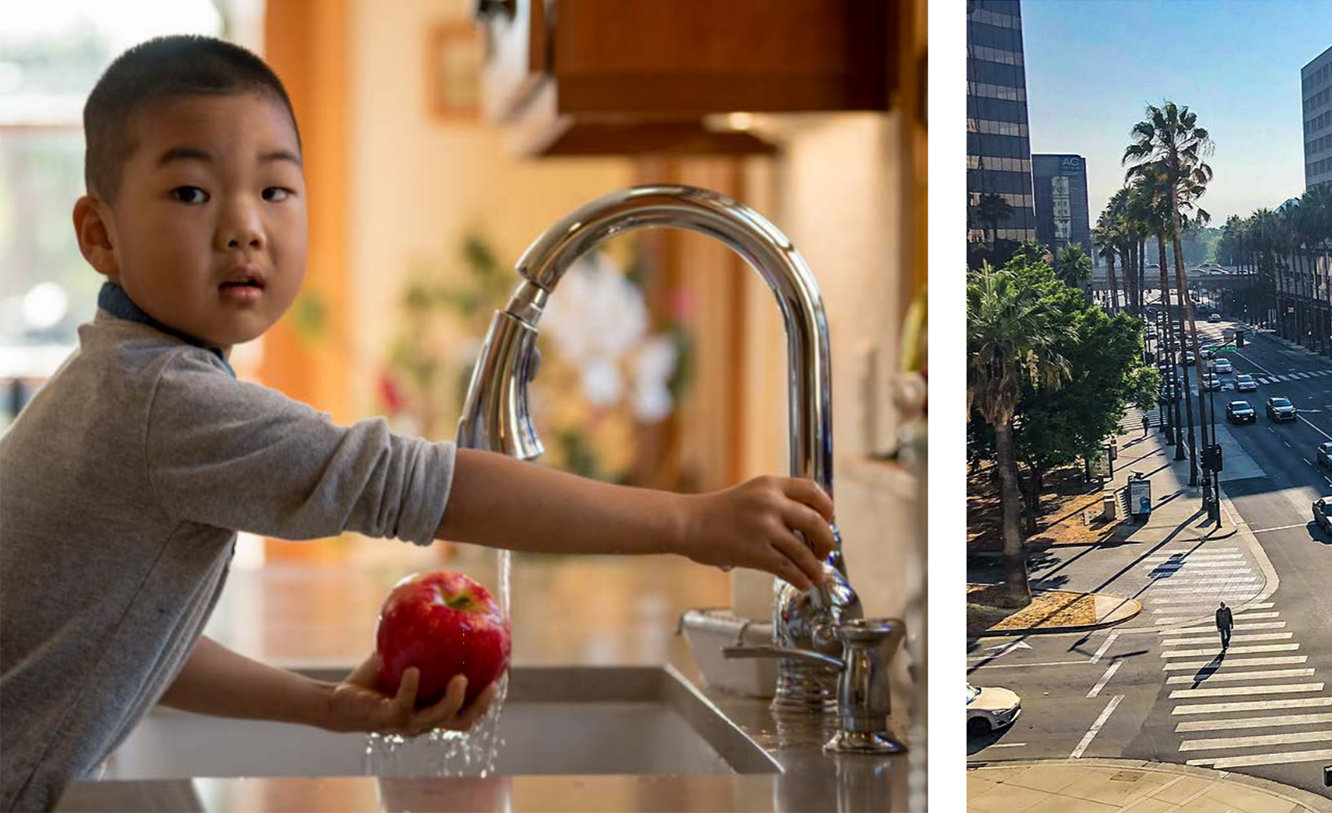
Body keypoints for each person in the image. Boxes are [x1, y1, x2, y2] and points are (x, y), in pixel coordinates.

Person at [0, 36, 837, 813]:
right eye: (192, 191)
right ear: (98, 234)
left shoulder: (127, 374)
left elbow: (129, 642)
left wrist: (325, 708)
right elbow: (420, 488)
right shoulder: (168, 401)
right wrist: (692, 520)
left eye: (274, 188)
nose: (244, 225)